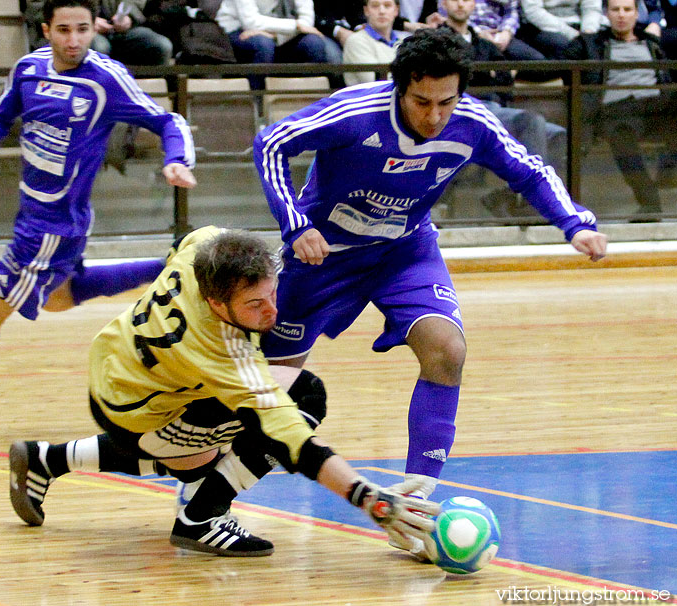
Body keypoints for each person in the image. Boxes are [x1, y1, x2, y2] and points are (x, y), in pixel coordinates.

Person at [253, 27, 607, 559]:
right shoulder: (353, 112)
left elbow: (530, 171)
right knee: (269, 387)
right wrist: (295, 223)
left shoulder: (473, 123)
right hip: (323, 255)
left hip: (404, 251)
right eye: (422, 101)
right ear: (398, 88)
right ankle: (205, 492)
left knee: (448, 349)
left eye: (447, 101)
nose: (435, 115)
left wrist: (573, 223)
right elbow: (270, 143)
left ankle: (417, 502)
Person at [8, 225, 441, 559]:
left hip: (114, 373)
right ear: (217, 304)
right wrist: (369, 499)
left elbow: (182, 243)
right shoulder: (225, 354)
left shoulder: (207, 245)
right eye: (255, 305)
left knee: (207, 453)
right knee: (301, 400)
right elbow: (294, 443)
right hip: (137, 412)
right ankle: (201, 518)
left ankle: (46, 459)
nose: (272, 310)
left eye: (272, 292)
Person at [0, 0, 196, 375]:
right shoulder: (28, 69)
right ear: (46, 31)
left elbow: (168, 120)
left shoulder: (106, 78)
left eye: (83, 29)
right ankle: (167, 266)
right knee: (58, 298)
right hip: (34, 211)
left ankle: (167, 266)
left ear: (95, 27)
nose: (75, 40)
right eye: (64, 30)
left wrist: (177, 158)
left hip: (53, 225)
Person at [441, 0, 567, 217]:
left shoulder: (485, 44)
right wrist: (485, 75)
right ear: (443, 3)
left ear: (475, 5)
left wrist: (487, 75)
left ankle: (506, 196)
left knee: (557, 135)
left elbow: (504, 79)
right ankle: (534, 202)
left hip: (496, 109)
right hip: (463, 110)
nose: (460, 4)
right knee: (530, 120)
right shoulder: (439, 40)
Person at [564, 0, 677, 220]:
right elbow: (560, 63)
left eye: (627, 10)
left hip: (655, 106)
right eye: (616, 10)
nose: (622, 15)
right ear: (606, 14)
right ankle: (649, 202)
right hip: (617, 109)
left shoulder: (652, 44)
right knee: (619, 133)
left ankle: (669, 169)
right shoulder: (591, 43)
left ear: (637, 14)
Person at [216, 0, 328, 90]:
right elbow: (250, 21)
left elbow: (307, 22)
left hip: (279, 32)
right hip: (235, 30)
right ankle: (257, 106)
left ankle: (309, 107)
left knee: (314, 43)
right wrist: (295, 26)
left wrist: (277, 36)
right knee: (263, 45)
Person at [342, 0, 409, 86]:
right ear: (366, 10)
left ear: (396, 10)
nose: (382, 11)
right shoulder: (356, 41)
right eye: (375, 6)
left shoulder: (404, 42)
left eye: (387, 5)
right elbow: (374, 82)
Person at [89, 0, 174, 66]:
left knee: (161, 46)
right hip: (88, 29)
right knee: (99, 48)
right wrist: (89, 20)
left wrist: (129, 15)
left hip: (127, 28)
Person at [517, 0, 603, 58]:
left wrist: (588, 32)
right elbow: (533, 11)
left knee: (600, 41)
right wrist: (573, 35)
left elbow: (592, 8)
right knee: (567, 44)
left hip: (579, 24)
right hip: (542, 26)